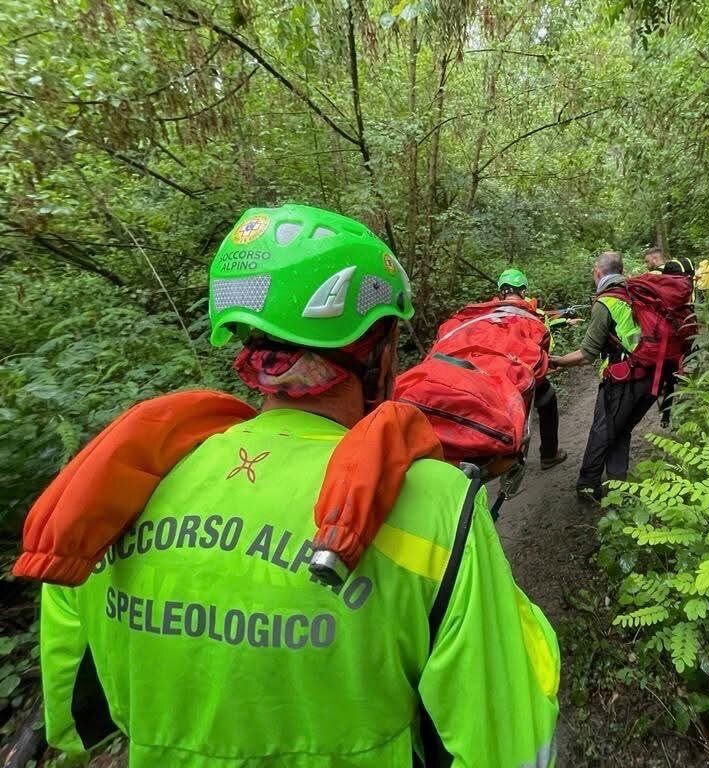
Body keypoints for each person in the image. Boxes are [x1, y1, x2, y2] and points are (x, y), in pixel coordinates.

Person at [36, 205, 559, 767]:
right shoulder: (436, 502)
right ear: (382, 353)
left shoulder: (111, 493)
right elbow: (511, 739)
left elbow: (71, 721)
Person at [549, 251, 655, 502]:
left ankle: (588, 486)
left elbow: (587, 354)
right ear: (621, 270)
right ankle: (618, 485)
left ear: (598, 272)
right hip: (653, 375)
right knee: (621, 428)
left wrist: (556, 362)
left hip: (625, 379)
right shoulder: (637, 291)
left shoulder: (606, 302)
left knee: (603, 430)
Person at [496, 268, 568, 470]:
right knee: (548, 402)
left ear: (501, 291)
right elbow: (541, 347)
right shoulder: (530, 314)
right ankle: (549, 455)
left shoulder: (491, 313)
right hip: (523, 373)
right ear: (523, 290)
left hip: (496, 374)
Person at [641, 249, 692, 428]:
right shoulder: (679, 276)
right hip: (678, 332)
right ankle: (666, 416)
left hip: (658, 334)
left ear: (655, 258)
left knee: (657, 373)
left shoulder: (654, 277)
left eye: (647, 261)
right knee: (671, 376)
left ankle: (657, 410)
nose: (647, 265)